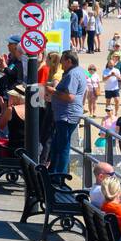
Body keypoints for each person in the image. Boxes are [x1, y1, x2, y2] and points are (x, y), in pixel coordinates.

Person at [43, 50, 87, 179]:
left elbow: (70, 97)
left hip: (67, 115)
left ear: (69, 61)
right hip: (65, 115)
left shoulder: (73, 75)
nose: (61, 63)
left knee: (62, 146)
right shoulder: (76, 72)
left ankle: (59, 176)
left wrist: (52, 91)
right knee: (57, 144)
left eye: (63, 60)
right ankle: (53, 172)